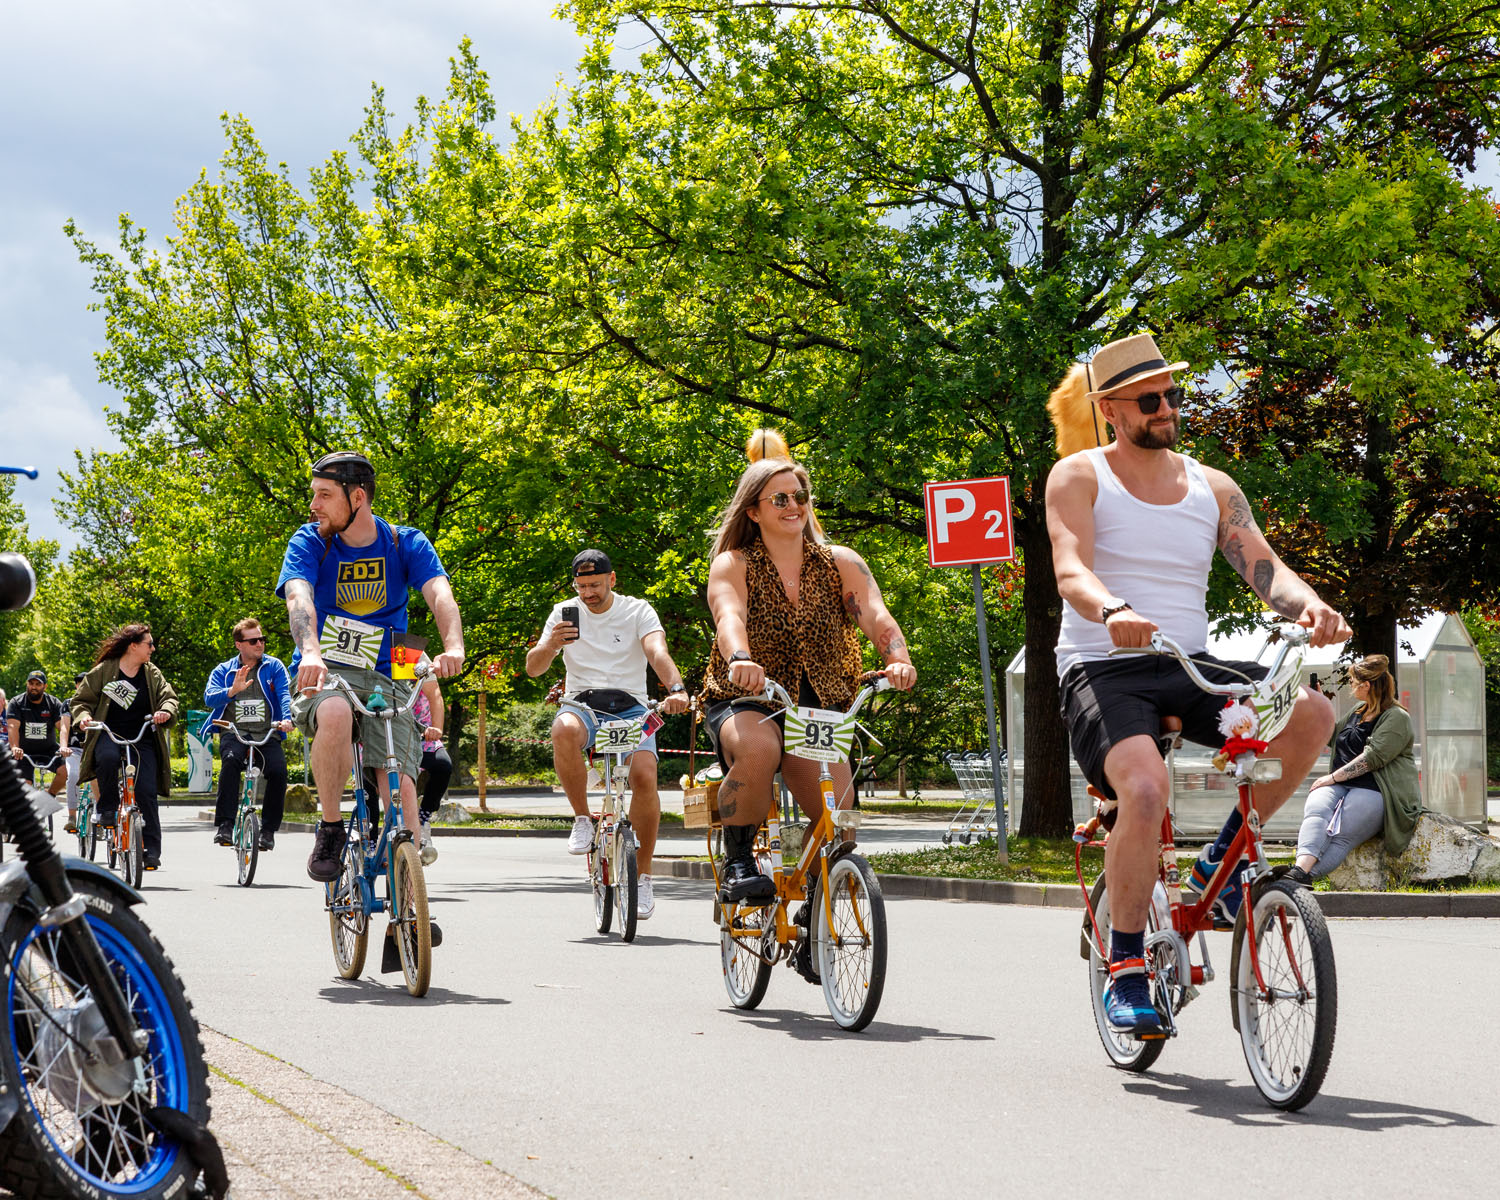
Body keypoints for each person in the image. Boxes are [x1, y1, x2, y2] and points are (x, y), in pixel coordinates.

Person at [1045, 333, 1349, 1038]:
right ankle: (1124, 966)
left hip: (1188, 664)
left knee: (1308, 713)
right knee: (1145, 790)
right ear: (1111, 410)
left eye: (1173, 395)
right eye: (1150, 399)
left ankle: (1218, 866)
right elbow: (1070, 569)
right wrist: (1112, 609)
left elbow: (1265, 568)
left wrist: (1308, 605)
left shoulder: (1213, 486)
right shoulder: (1081, 476)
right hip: (1102, 664)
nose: (1167, 408)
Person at [700, 430, 917, 917]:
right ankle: (738, 861)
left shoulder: (841, 563)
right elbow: (728, 617)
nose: (793, 505)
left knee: (839, 821)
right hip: (746, 698)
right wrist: (740, 660)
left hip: (817, 707)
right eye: (779, 498)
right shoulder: (733, 563)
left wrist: (898, 657)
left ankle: (812, 913)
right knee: (759, 749)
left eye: (800, 496)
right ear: (753, 511)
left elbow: (876, 617)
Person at [277, 451, 464, 967]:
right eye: (314, 493)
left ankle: (406, 900)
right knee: (335, 714)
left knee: (399, 782)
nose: (313, 504)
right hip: (330, 661)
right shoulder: (309, 540)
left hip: (394, 661)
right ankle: (332, 828)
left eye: (324, 494)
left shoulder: (405, 542)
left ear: (357, 497)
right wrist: (309, 651)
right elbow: (298, 597)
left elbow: (438, 592)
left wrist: (453, 646)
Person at [525, 549, 690, 920]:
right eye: (581, 586)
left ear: (612, 580)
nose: (588, 594)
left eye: (595, 585)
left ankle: (644, 876)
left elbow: (656, 650)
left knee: (645, 776)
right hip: (583, 705)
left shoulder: (636, 610)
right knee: (562, 729)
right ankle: (583, 818)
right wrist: (551, 644)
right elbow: (533, 669)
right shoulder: (563, 613)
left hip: (631, 707)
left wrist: (676, 687)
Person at [1290, 654, 1421, 882]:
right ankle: (1299, 869)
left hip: (1375, 790)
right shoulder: (1359, 711)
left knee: (1340, 836)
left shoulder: (1397, 717)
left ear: (1366, 685)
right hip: (1342, 784)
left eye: (1352, 681)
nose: (1350, 686)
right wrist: (1319, 706)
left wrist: (1332, 777)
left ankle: (1302, 877)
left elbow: (1373, 757)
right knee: (1316, 812)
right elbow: (1332, 736)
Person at [72, 625, 178, 871]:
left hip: (141, 736)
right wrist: (84, 718)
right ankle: (107, 809)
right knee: (107, 758)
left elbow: (169, 697)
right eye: (149, 644)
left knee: (146, 791)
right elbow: (81, 701)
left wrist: (165, 711)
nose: (153, 648)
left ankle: (151, 851)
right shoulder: (104, 670)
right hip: (108, 732)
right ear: (133, 646)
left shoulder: (151, 673)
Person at [202, 618, 294, 851]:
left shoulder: (274, 667)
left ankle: (268, 831)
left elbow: (285, 695)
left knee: (278, 771)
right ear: (239, 645)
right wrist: (232, 690)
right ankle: (225, 825)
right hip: (235, 732)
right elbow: (209, 697)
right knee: (231, 763)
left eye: (262, 639)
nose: (260, 644)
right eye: (253, 641)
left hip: (267, 734)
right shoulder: (224, 670)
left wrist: (287, 718)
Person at [6, 669, 72, 805]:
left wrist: (65, 746)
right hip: (24, 751)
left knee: (66, 771)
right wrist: (15, 747)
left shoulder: (53, 703)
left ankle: (49, 797)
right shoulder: (16, 703)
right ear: (27, 684)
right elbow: (13, 727)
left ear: (45, 686)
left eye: (38, 684)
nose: (34, 687)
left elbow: (63, 727)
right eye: (31, 684)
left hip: (48, 749)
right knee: (26, 784)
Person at [411, 661, 452, 866]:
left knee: (443, 765)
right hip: (381, 734)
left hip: (419, 735)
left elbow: (434, 693)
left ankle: (423, 816)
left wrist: (436, 727)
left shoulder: (412, 652)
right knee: (369, 786)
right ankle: (371, 836)